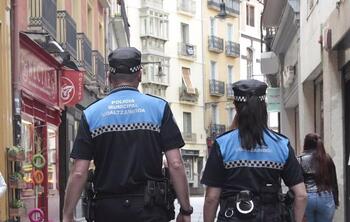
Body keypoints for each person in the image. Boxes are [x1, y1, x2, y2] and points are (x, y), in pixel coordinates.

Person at [63, 47, 192, 222]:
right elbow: (175, 163)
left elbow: (79, 172)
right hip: (150, 209)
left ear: (109, 77)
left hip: (107, 211)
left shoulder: (92, 114)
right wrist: (185, 210)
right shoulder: (159, 108)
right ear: (139, 74)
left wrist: (67, 213)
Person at [201, 79, 307, 222]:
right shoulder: (281, 144)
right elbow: (301, 195)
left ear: (236, 107)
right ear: (264, 106)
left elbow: (211, 198)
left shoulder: (222, 144)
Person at [298, 133, 339, 222]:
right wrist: (335, 200)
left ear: (305, 144)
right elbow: (333, 181)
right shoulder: (327, 158)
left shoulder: (300, 159)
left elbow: (297, 182)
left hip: (307, 198)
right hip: (326, 196)